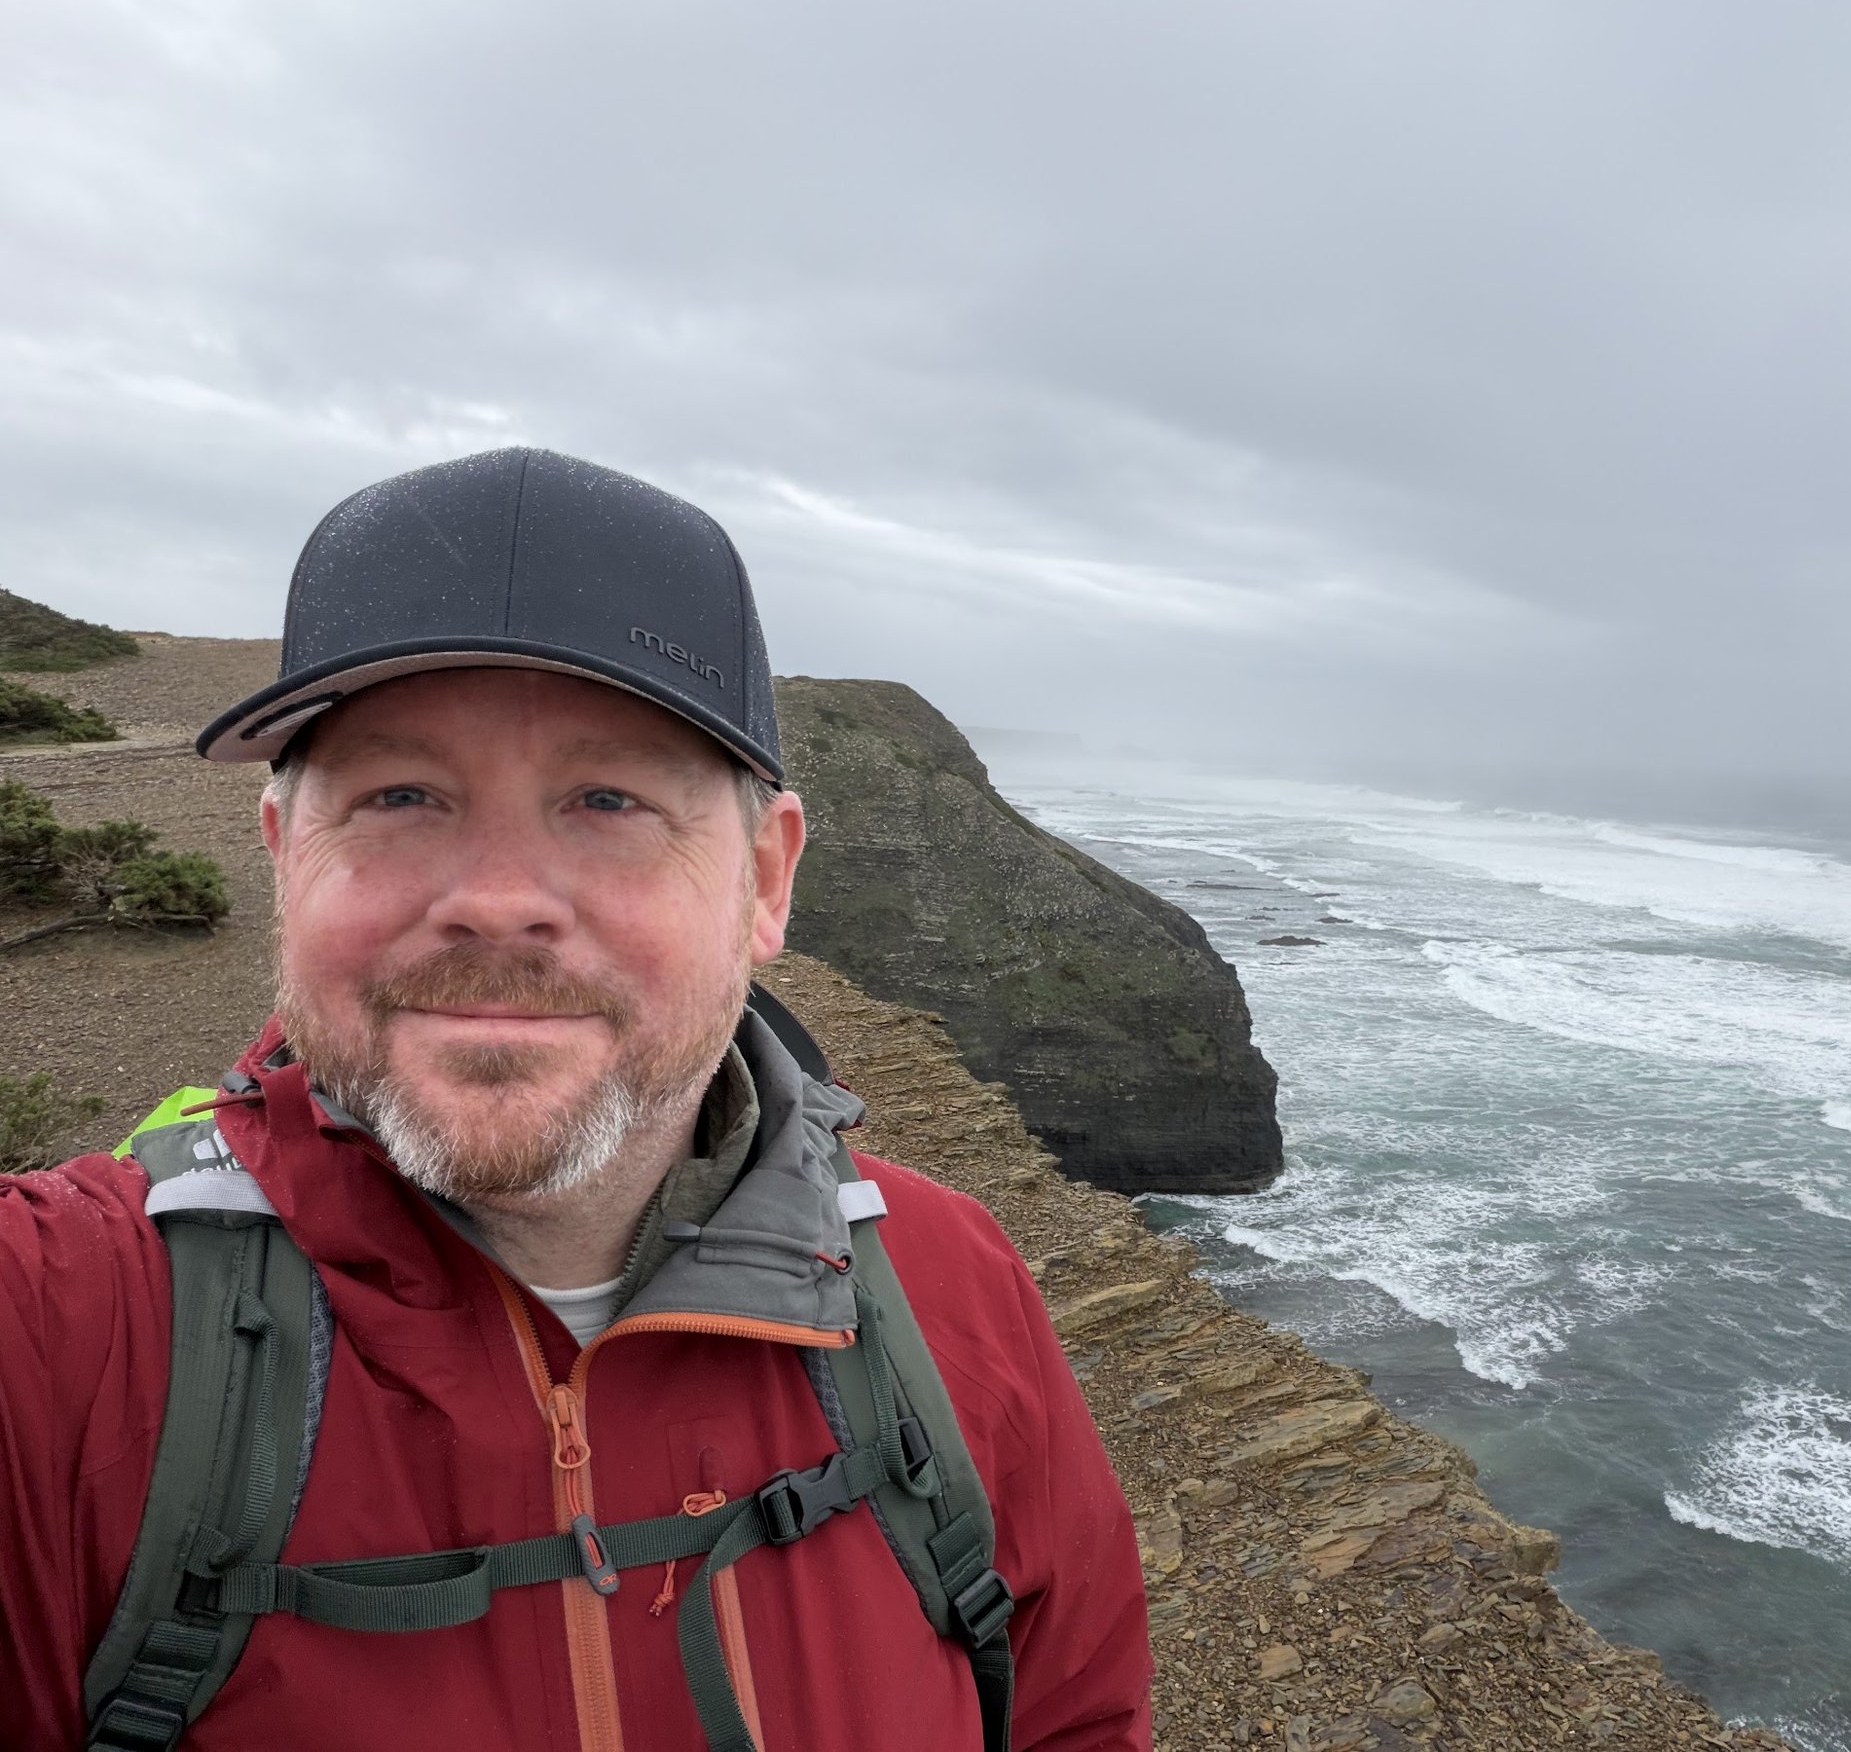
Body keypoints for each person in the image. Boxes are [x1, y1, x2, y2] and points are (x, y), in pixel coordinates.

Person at [0, 448, 1152, 1750]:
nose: (497, 894)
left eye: (608, 799)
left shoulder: (953, 1292)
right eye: (399, 795)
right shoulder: (68, 1333)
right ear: (283, 860)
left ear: (766, 883)